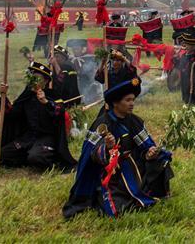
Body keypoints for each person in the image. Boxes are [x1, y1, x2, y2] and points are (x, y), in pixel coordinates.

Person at [63, 77, 173, 218]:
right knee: (120, 205)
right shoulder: (102, 124)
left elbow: (145, 145)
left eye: (133, 100)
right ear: (115, 103)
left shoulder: (134, 120)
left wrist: (149, 152)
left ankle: (153, 191)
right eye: (127, 100)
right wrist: (107, 148)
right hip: (111, 172)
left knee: (161, 159)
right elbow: (92, 155)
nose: (132, 103)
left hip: (134, 164)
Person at [0, 61, 76, 171]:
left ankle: (46, 155)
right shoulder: (26, 96)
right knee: (3, 154)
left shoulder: (52, 95)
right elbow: (13, 115)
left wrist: (46, 102)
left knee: (36, 157)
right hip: (28, 138)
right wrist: (4, 97)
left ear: (46, 81)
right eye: (32, 78)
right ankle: (26, 155)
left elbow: (59, 113)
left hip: (46, 138)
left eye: (37, 78)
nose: (34, 82)